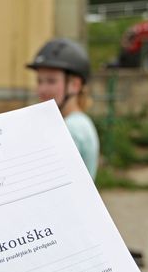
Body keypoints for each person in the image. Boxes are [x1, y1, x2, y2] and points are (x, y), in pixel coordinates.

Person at [27, 38, 100, 179]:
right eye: (39, 81)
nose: (42, 89)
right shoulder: (79, 122)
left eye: (51, 81)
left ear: (75, 85)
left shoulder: (71, 129)